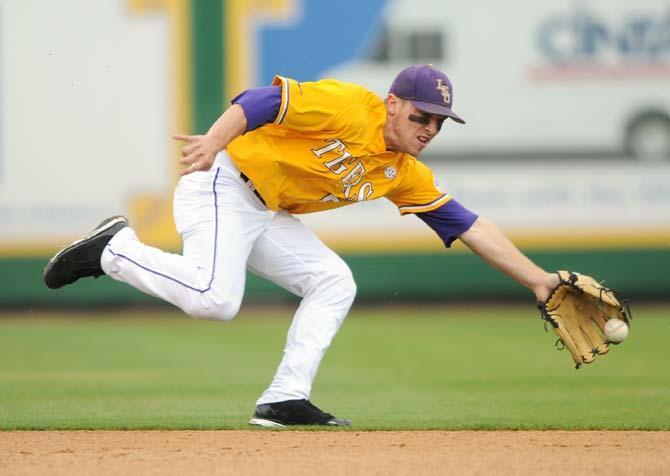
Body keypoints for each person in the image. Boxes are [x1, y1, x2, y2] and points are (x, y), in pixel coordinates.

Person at [44, 64, 559, 427]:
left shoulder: (402, 172)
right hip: (223, 180)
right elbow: (261, 101)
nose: (429, 129)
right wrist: (214, 142)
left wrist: (539, 281)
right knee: (215, 300)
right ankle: (115, 248)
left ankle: (284, 398)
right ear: (393, 104)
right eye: (420, 116)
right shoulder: (349, 107)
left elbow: (468, 225)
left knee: (333, 280)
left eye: (438, 122)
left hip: (265, 210)